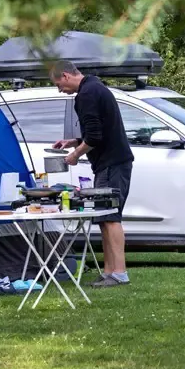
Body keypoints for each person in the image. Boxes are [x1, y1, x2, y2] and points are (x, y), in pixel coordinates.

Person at [47, 61, 132, 288]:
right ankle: (108, 272)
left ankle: (120, 273)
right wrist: (73, 141)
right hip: (110, 163)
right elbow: (98, 131)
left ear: (65, 75)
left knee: (111, 217)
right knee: (103, 218)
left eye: (58, 85)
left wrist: (74, 155)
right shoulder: (95, 87)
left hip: (112, 163)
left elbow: (94, 138)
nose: (60, 90)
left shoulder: (86, 94)